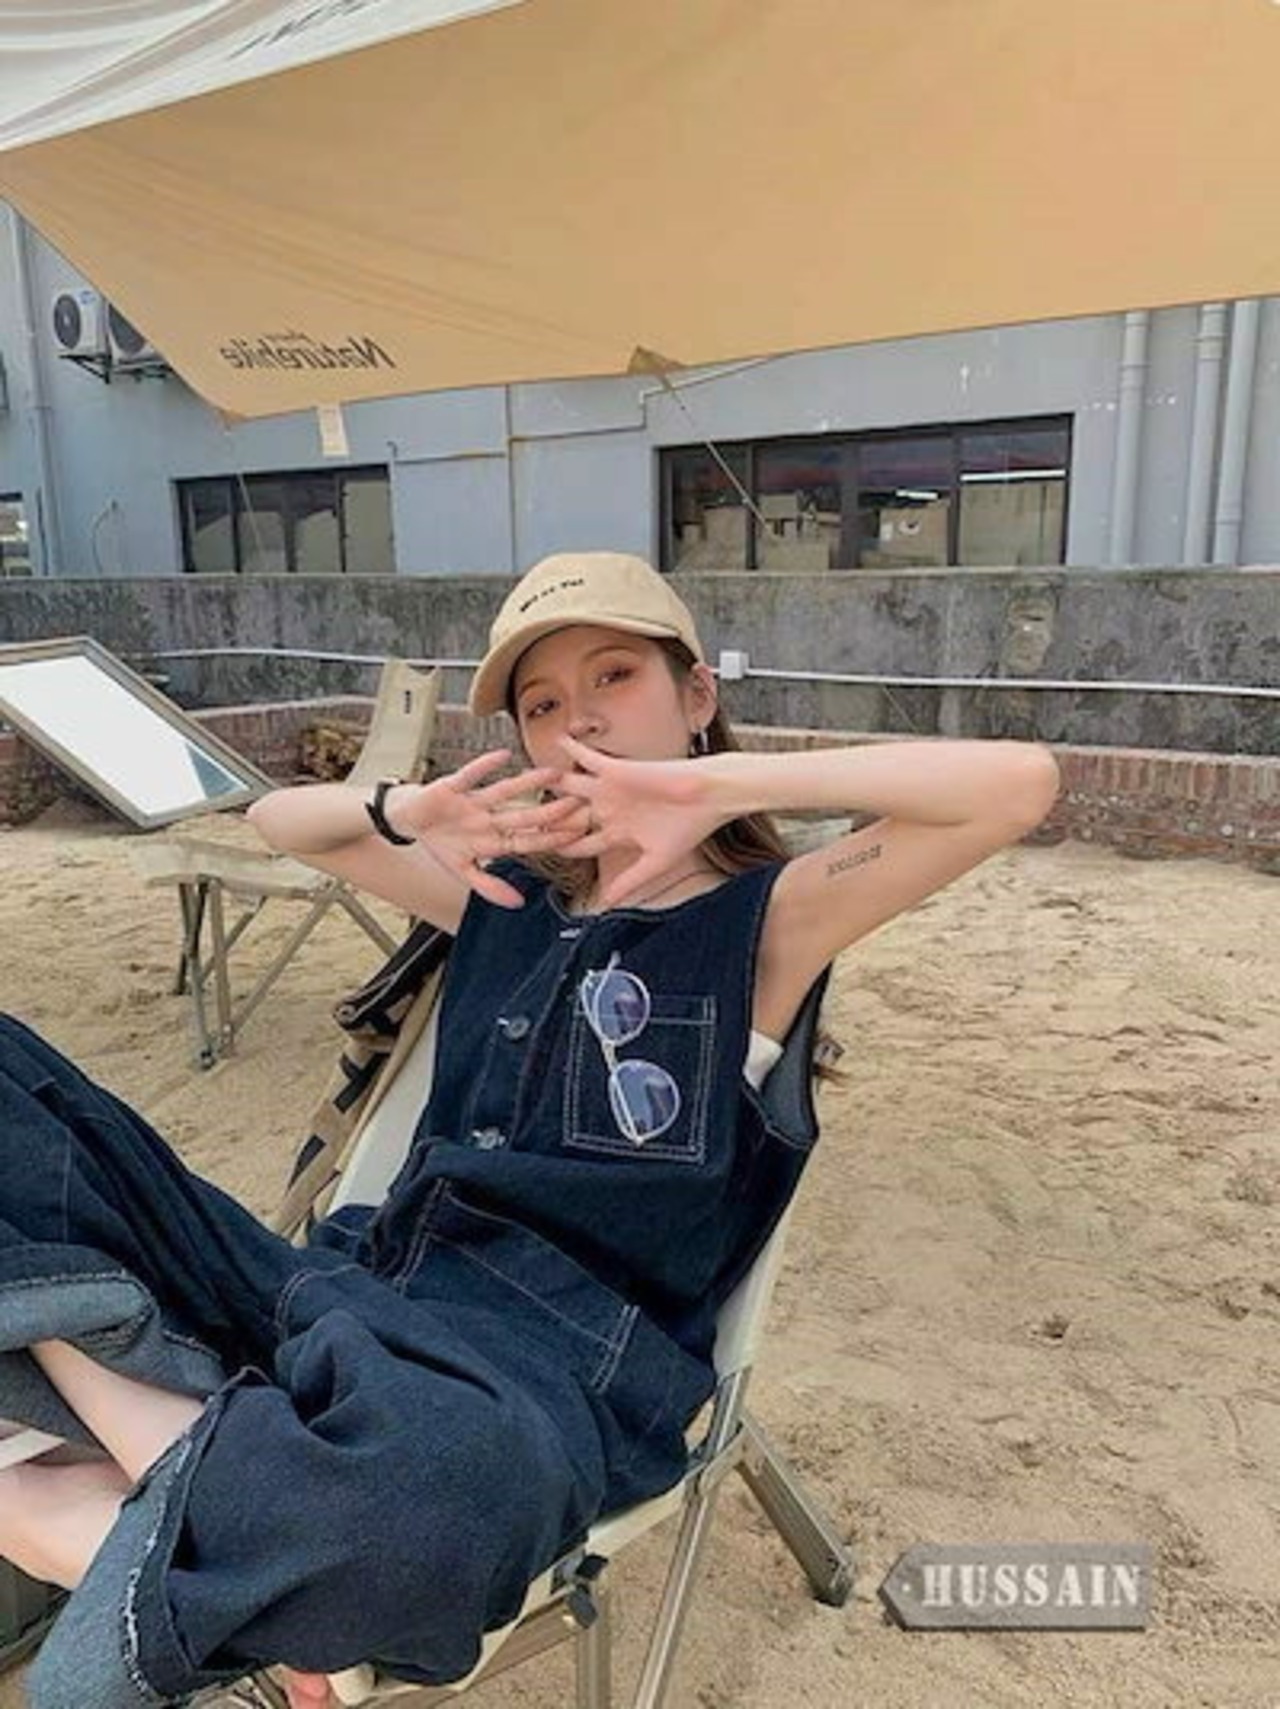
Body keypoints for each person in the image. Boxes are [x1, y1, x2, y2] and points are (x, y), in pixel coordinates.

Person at [0, 552, 1059, 1709]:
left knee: (431, 1503)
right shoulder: (502, 897)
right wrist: (407, 809)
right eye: (542, 703)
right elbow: (276, 817)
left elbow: (1014, 784)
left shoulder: (764, 924)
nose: (578, 718)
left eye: (614, 676)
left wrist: (715, 785)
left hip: (534, 1372)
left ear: (696, 695)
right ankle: (197, 1485)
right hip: (343, 1286)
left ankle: (120, 1439)